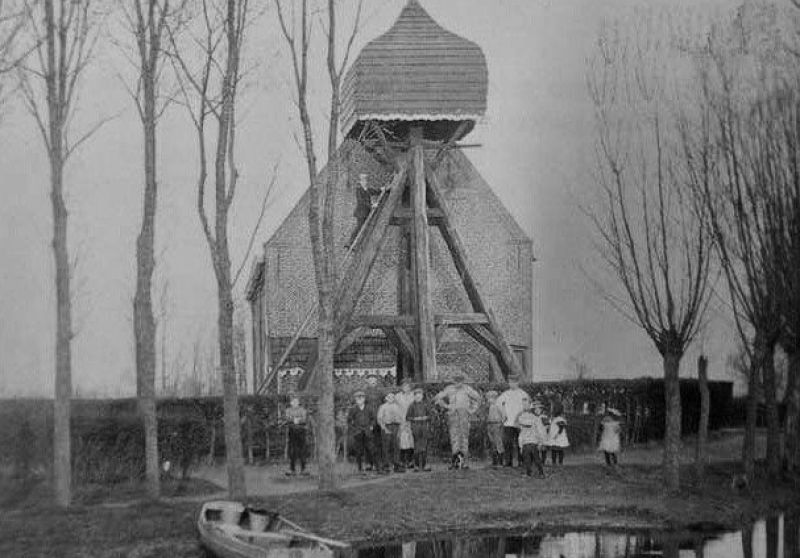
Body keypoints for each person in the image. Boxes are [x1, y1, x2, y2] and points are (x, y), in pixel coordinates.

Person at [434, 373, 482, 469]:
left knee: (464, 437)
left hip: (464, 415)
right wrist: (447, 406)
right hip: (453, 415)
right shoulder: (449, 389)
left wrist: (471, 410)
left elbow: (478, 399)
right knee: (454, 437)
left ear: (463, 382)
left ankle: (465, 462)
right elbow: (437, 398)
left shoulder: (468, 389)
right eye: (455, 381)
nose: (457, 384)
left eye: (459, 382)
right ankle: (455, 461)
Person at [496, 376, 528, 467]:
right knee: (507, 442)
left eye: (514, 382)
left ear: (518, 382)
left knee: (520, 442)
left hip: (520, 423)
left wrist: (521, 416)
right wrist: (503, 413)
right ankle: (508, 461)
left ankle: (521, 461)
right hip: (508, 423)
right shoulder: (505, 394)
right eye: (510, 382)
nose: (512, 384)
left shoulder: (523, 394)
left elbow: (527, 407)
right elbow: (499, 404)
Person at [346, 172, 383, 248]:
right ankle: (349, 243)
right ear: (360, 182)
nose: (365, 182)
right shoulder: (358, 190)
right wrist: (372, 205)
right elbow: (361, 201)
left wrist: (381, 189)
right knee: (359, 227)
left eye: (366, 180)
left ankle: (358, 244)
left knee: (365, 228)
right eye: (363, 180)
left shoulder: (368, 189)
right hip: (360, 213)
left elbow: (376, 192)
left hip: (366, 213)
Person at [517, 396, 549, 478]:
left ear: (530, 405)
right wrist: (520, 445)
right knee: (526, 459)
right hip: (525, 442)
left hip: (533, 442)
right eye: (523, 404)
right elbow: (522, 431)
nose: (525, 406)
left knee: (537, 459)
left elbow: (539, 430)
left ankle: (541, 473)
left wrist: (541, 442)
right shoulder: (521, 416)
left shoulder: (535, 418)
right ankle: (528, 473)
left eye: (526, 404)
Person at [348, 390, 376, 472]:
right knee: (359, 450)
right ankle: (359, 467)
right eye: (358, 398)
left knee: (370, 448)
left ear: (364, 399)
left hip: (367, 431)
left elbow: (373, 419)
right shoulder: (353, 409)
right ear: (355, 399)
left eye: (361, 397)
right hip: (358, 432)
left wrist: (372, 426)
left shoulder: (369, 408)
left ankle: (370, 465)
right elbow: (349, 420)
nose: (360, 399)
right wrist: (354, 429)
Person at [405, 387, 432, 471]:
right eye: (416, 395)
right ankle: (416, 465)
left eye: (420, 395)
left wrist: (425, 417)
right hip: (415, 427)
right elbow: (407, 417)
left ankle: (424, 465)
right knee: (417, 446)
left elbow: (431, 416)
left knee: (424, 446)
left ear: (422, 396)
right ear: (414, 396)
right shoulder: (411, 405)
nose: (418, 396)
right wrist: (415, 419)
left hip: (424, 427)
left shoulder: (426, 404)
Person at [377, 393, 404, 473]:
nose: (391, 398)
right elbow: (379, 419)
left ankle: (397, 465)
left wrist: (400, 429)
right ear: (386, 398)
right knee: (386, 447)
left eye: (392, 397)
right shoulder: (383, 407)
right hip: (387, 426)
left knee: (396, 446)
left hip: (396, 426)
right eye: (389, 397)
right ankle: (386, 466)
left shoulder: (397, 407)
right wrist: (384, 428)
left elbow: (402, 418)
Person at [284, 395, 310, 476]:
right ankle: (292, 469)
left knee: (303, 450)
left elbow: (304, 419)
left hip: (302, 431)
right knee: (292, 450)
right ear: (291, 403)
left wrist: (295, 419)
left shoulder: (302, 410)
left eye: (296, 401)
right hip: (292, 432)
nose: (295, 403)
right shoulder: (288, 410)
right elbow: (288, 419)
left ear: (298, 402)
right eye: (293, 401)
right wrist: (296, 419)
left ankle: (303, 469)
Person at [395, 379, 416, 470]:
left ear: (410, 387)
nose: (406, 388)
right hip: (401, 420)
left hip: (412, 420)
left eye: (407, 386)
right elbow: (395, 408)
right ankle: (402, 461)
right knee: (402, 440)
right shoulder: (397, 396)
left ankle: (411, 461)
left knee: (411, 440)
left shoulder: (413, 395)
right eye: (404, 386)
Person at [485, 390, 505, 467]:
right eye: (488, 398)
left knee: (498, 443)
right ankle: (494, 461)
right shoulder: (490, 406)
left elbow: (504, 415)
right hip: (490, 424)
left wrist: (500, 424)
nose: (488, 400)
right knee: (492, 443)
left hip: (497, 424)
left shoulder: (499, 405)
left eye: (489, 398)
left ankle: (500, 462)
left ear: (494, 398)